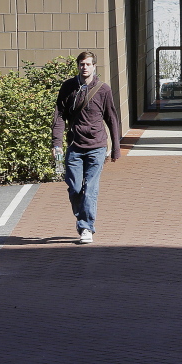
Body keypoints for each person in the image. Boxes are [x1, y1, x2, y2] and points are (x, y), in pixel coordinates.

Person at [51, 51, 121, 245]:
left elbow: (112, 118)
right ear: (78, 66)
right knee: (74, 188)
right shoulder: (69, 87)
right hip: (74, 145)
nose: (85, 67)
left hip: (96, 146)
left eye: (88, 64)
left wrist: (116, 148)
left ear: (94, 66)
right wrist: (56, 144)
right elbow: (59, 117)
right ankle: (83, 216)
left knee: (90, 188)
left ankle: (86, 227)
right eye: (82, 64)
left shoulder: (103, 90)